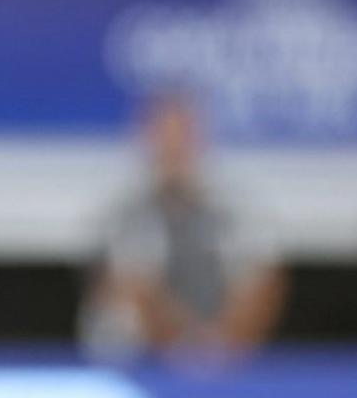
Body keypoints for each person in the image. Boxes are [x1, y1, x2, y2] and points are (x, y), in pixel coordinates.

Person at [79, 95, 286, 364]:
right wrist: (185, 346)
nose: (173, 148)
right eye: (164, 137)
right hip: (148, 361)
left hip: (222, 354)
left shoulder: (229, 213)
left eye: (181, 137)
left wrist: (218, 346)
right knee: (118, 317)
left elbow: (264, 282)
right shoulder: (127, 216)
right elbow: (132, 289)